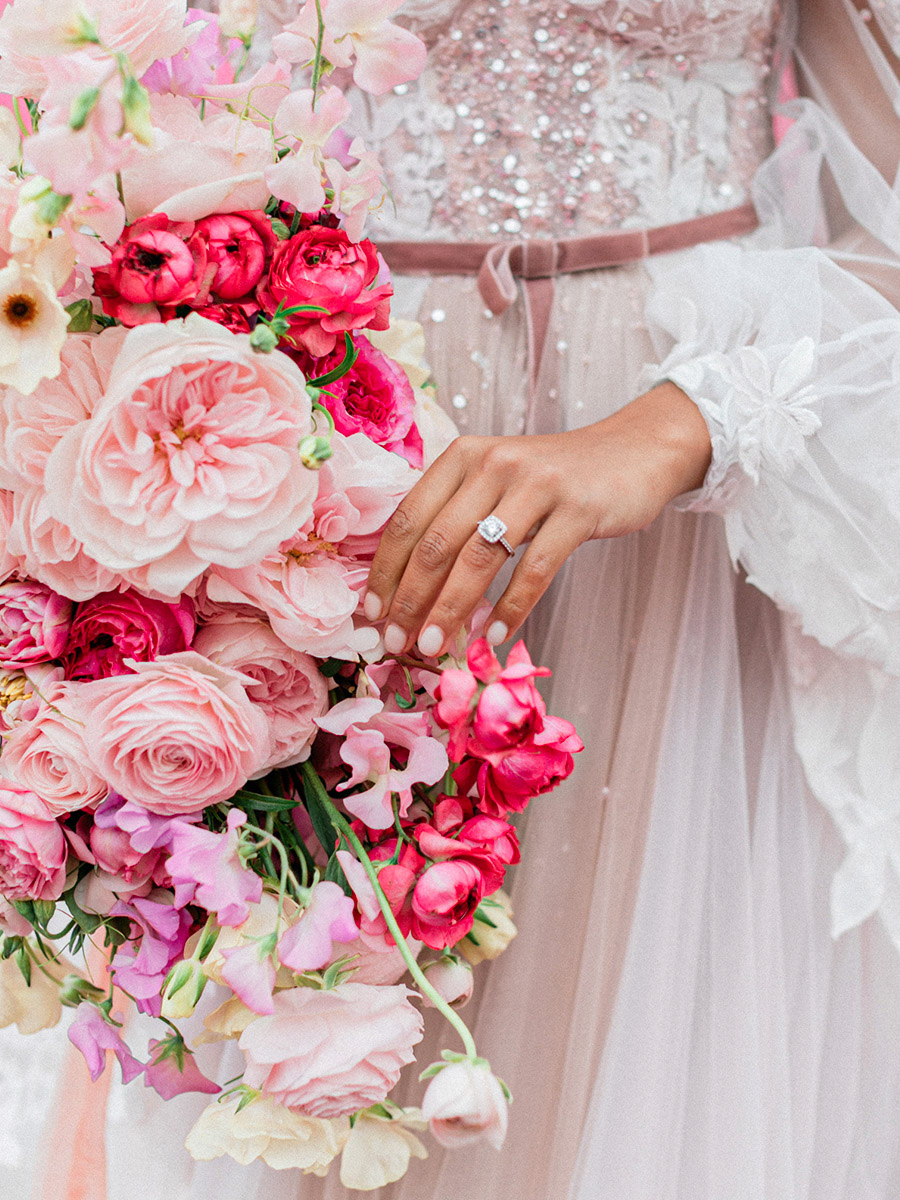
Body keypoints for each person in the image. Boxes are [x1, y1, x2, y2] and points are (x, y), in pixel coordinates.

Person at [7, 1, 900, 1197]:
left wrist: (708, 416)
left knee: (650, 1045)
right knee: (292, 1031)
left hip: (681, 514)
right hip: (293, 451)